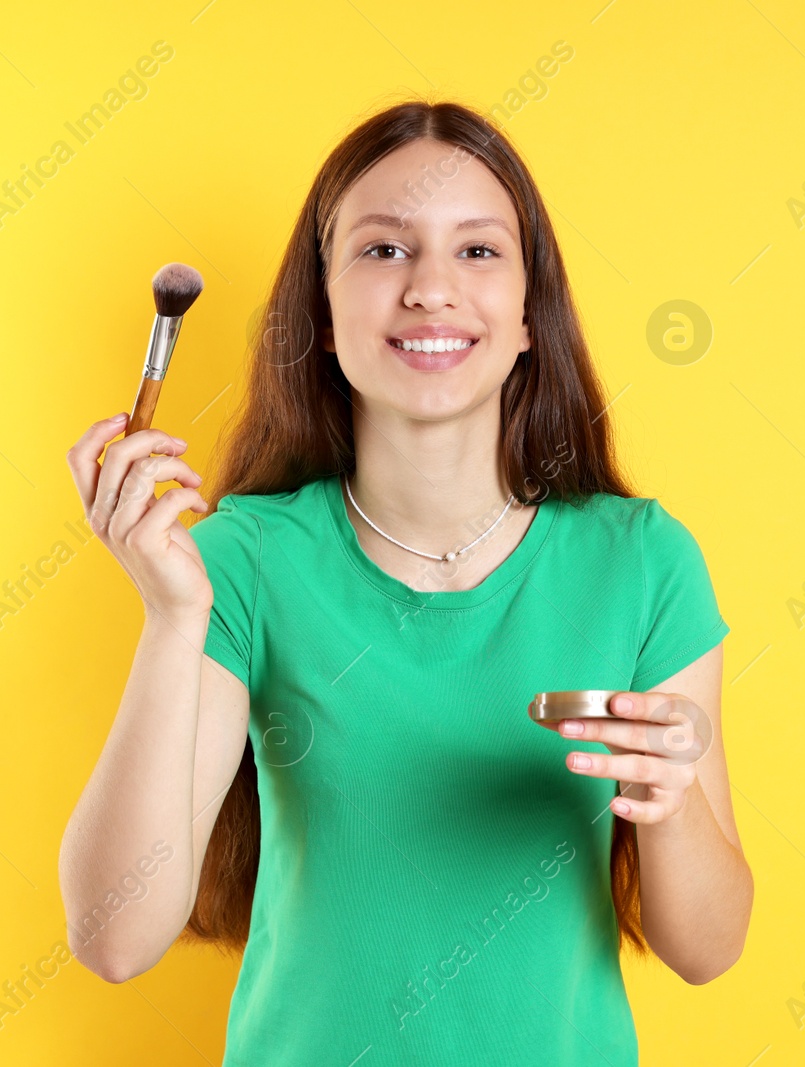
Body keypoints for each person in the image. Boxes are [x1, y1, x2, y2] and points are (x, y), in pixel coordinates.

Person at [60, 99, 753, 1066]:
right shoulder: (243, 559)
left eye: (477, 252)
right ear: (326, 317)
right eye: (384, 251)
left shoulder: (641, 560)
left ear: (525, 318)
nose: (431, 288)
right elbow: (113, 938)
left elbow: (708, 948)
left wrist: (668, 802)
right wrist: (175, 618)